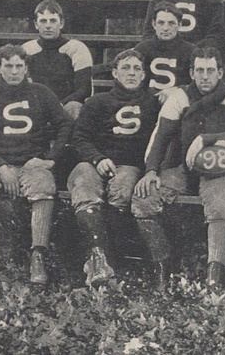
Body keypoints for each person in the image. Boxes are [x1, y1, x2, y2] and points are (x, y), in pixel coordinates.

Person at [131, 47, 225, 289]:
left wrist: (206, 139)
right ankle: (164, 264)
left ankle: (214, 272)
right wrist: (151, 170)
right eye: (199, 70)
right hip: (184, 167)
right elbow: (161, 137)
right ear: (191, 72)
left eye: (210, 70)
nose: (205, 76)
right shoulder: (181, 96)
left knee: (218, 203)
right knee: (143, 200)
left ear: (220, 72)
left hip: (221, 167)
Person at [0, 44, 72, 288]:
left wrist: (50, 158)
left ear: (26, 68)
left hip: (32, 162)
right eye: (8, 66)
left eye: (19, 66)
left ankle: (37, 256)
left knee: (44, 185)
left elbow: (65, 125)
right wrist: (0, 166)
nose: (14, 71)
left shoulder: (42, 93)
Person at [68, 49, 160, 286]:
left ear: (143, 75)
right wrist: (97, 159)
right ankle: (97, 257)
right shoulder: (98, 102)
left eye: (137, 69)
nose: (131, 73)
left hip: (129, 165)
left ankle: (114, 262)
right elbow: (79, 137)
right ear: (115, 73)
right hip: (94, 162)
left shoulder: (152, 103)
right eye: (126, 68)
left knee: (122, 189)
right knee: (85, 186)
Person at [22, 0, 93, 120]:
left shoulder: (76, 47)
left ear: (61, 23)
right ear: (36, 24)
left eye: (53, 21)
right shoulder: (27, 49)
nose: (48, 25)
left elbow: (84, 89)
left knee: (74, 107)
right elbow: (24, 86)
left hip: (67, 105)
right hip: (38, 106)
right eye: (43, 21)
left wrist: (57, 106)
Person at [134, 2, 196, 101]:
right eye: (161, 23)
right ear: (154, 24)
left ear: (179, 25)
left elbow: (196, 83)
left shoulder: (190, 50)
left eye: (171, 23)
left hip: (179, 103)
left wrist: (178, 90)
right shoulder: (143, 48)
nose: (166, 28)